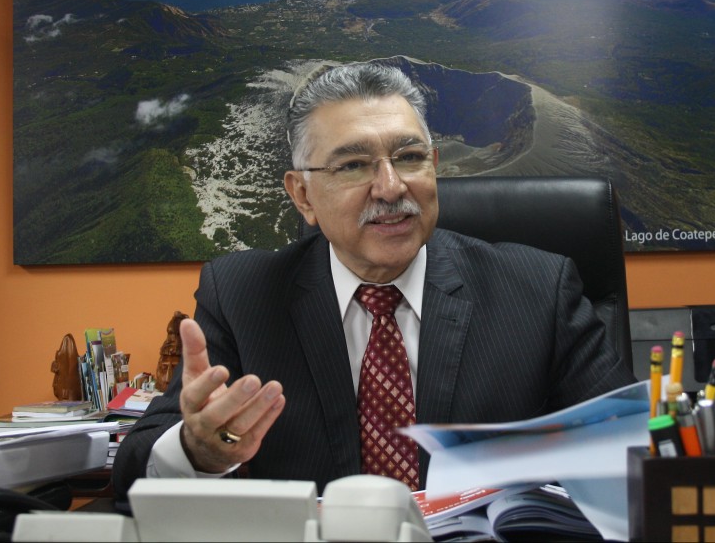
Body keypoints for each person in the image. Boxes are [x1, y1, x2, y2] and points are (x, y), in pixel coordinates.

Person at [112, 62, 636, 500]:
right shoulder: (243, 296)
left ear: (433, 166)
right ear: (302, 195)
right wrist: (198, 451)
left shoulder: (537, 289)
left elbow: (630, 451)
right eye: (354, 166)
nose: (390, 187)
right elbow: (133, 471)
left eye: (409, 158)